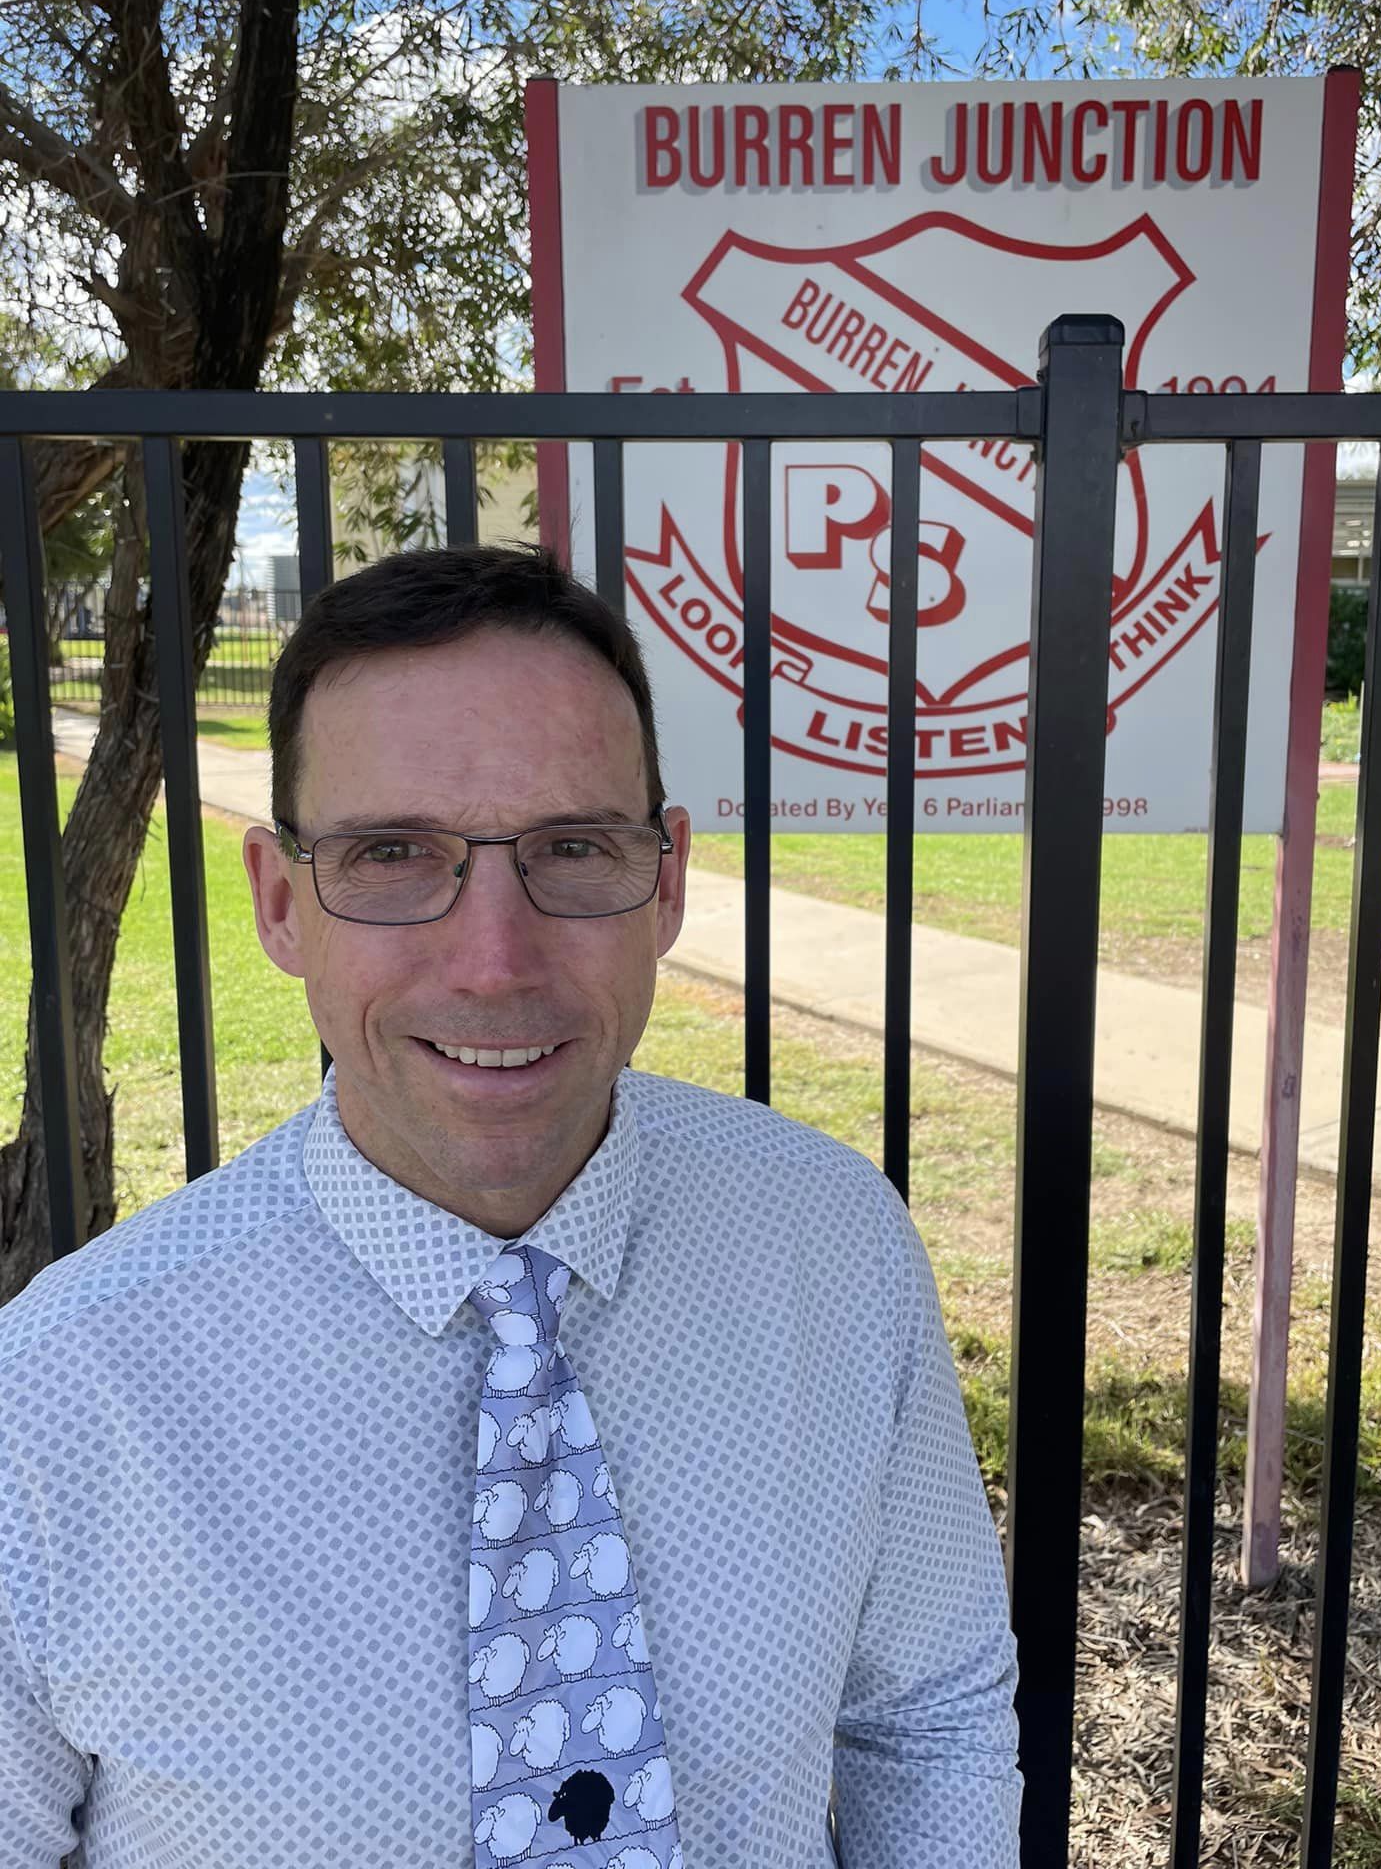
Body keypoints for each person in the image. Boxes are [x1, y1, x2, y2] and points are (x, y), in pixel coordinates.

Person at [0, 542, 1022, 1867]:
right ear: (279, 902)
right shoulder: (61, 1397)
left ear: (666, 883)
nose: (494, 963)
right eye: (391, 853)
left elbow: (927, 1715)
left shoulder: (833, 1246)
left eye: (574, 848)